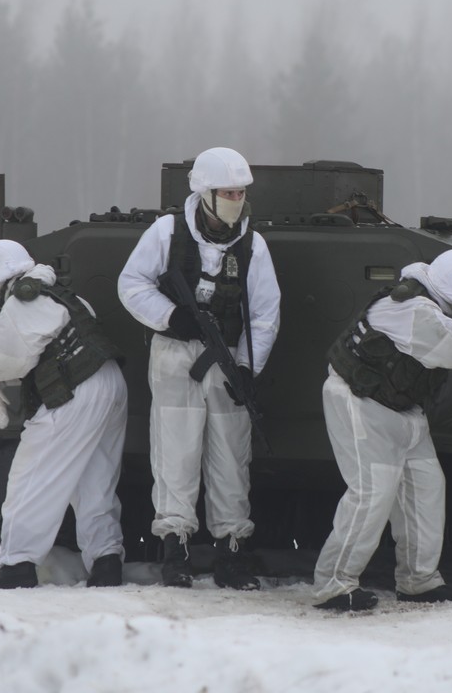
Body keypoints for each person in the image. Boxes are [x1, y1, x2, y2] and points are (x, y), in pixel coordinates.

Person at [118, 146, 281, 590]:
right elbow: (132, 284)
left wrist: (246, 367)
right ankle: (176, 550)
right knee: (175, 451)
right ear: (205, 193)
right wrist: (171, 317)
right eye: (227, 192)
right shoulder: (167, 232)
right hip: (175, 355)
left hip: (227, 355)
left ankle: (232, 550)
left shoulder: (252, 243)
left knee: (231, 454)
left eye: (240, 193)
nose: (235, 200)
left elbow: (264, 313)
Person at [311, 249, 452, 612]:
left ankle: (418, 581)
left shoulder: (427, 302)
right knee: (372, 494)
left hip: (403, 406)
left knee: (425, 488)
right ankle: (333, 585)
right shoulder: (412, 309)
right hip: (361, 403)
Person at [0, 239, 128, 590]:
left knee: (32, 480)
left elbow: (5, 361)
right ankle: (106, 561)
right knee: (94, 480)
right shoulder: (61, 293)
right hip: (108, 382)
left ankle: (18, 564)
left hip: (75, 391)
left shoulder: (24, 303)